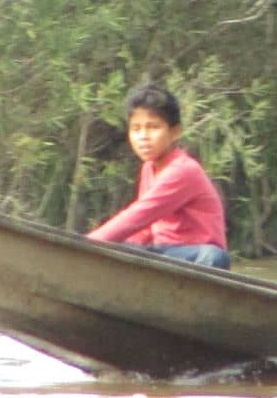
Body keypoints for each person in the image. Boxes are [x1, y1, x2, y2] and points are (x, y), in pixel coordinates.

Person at [84, 83, 230, 268]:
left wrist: (88, 244)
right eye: (136, 129)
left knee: (214, 255)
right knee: (118, 247)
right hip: (163, 254)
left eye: (153, 127)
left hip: (193, 255)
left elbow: (139, 215)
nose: (143, 136)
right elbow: (144, 228)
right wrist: (113, 248)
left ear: (174, 132)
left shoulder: (183, 170)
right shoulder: (148, 168)